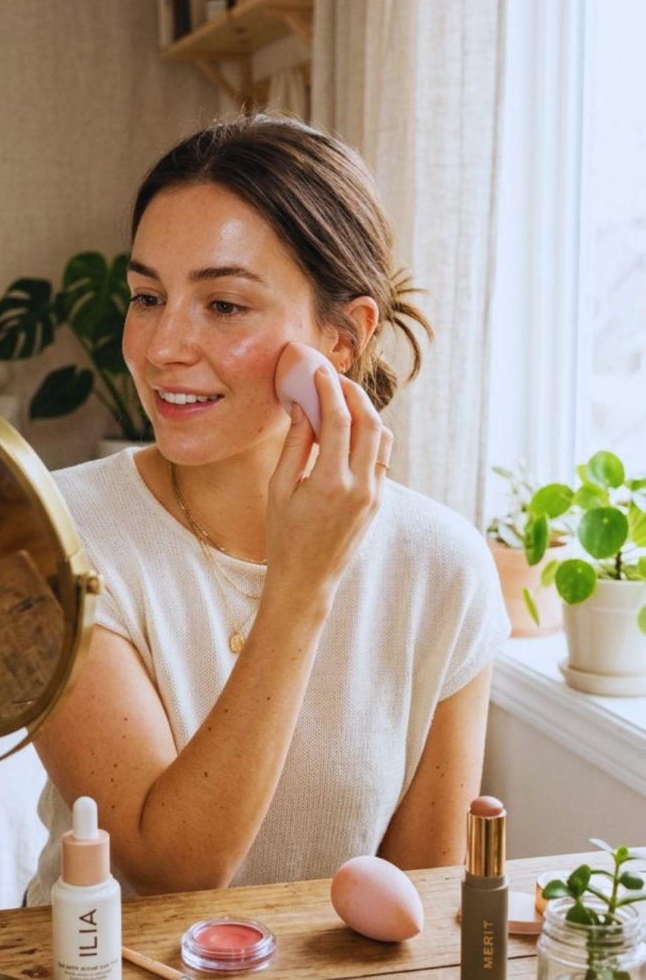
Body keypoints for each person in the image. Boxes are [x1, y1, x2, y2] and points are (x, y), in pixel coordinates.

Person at [27, 114, 509, 902]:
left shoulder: (441, 566)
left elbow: (416, 905)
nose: (160, 347)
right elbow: (167, 870)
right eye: (147, 296)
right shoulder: (58, 533)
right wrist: (300, 584)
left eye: (223, 306)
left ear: (344, 338)